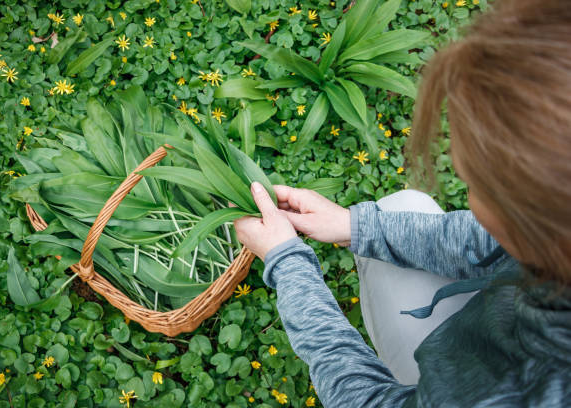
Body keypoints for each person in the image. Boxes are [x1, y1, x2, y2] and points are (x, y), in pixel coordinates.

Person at [232, 0, 571, 406]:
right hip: (495, 327)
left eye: (473, 183)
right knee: (400, 207)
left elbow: (369, 401)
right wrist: (357, 226)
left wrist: (286, 263)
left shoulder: (514, 395)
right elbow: (489, 241)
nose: (466, 190)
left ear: (534, 227)